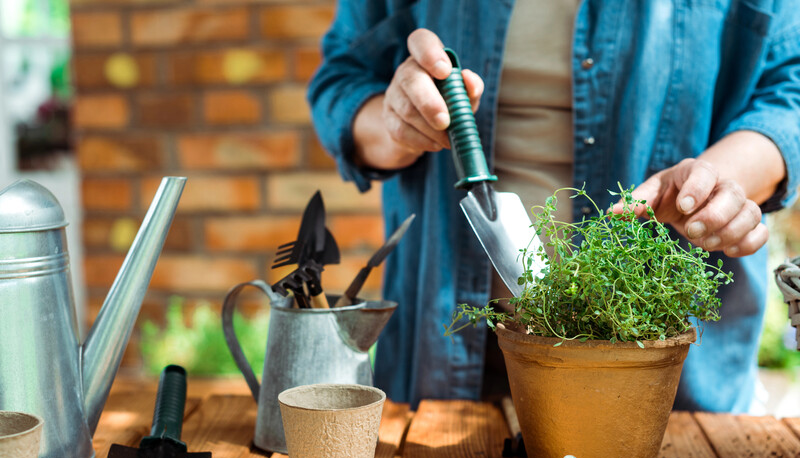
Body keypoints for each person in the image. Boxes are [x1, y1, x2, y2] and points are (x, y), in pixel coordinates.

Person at [307, 1, 800, 413]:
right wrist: (395, 124)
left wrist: (714, 181)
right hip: (454, 357)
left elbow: (787, 92)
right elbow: (341, 83)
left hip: (656, 367)